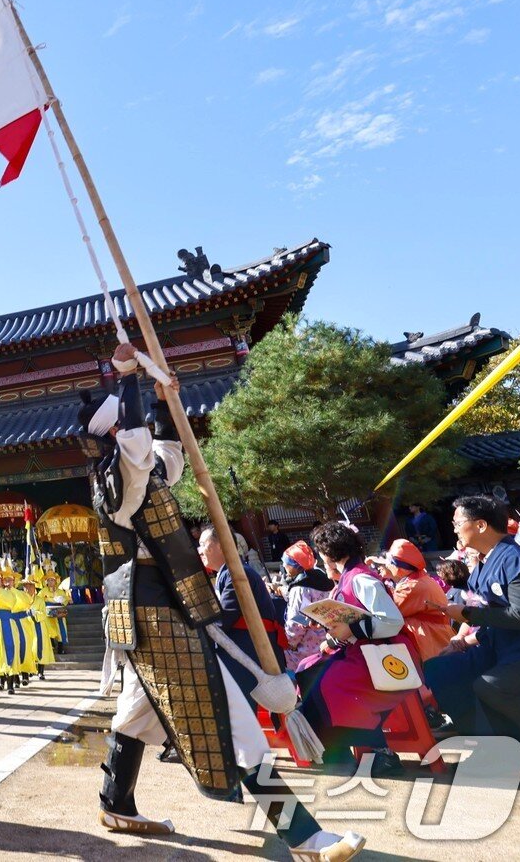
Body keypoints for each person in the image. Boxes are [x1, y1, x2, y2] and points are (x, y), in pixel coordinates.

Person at [82, 343, 361, 860]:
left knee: (136, 713)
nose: (133, 432)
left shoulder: (140, 474)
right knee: (222, 707)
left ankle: (114, 801)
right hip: (151, 611)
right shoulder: (116, 479)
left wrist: (165, 399)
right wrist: (125, 378)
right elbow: (144, 451)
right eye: (126, 426)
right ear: (114, 436)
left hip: (160, 607)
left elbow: (166, 453)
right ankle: (303, 836)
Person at [424, 496, 520, 776]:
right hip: (503, 648)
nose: (454, 529)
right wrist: (463, 640)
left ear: (480, 525)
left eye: (457, 523)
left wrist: (467, 616)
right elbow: (491, 618)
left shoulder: (516, 560)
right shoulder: (483, 564)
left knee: (491, 685)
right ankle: (497, 753)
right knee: (441, 670)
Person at [296, 522, 416, 777]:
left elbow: (392, 621)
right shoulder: (350, 577)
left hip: (381, 655)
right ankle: (332, 748)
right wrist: (332, 639)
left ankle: (380, 753)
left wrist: (348, 632)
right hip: (364, 652)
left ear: (329, 553)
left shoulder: (360, 578)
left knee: (329, 684)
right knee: (306, 670)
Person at [197, 527, 286, 709]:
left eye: (203, 545)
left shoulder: (235, 572)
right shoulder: (229, 572)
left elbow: (223, 620)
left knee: (240, 709)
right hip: (246, 647)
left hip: (250, 650)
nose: (199, 550)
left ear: (222, 545)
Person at [371, 540, 451, 662]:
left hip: (430, 638)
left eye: (389, 563)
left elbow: (389, 611)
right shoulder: (419, 578)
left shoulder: (410, 587)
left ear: (399, 567)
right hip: (436, 633)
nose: (387, 565)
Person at [276, 541, 333, 667]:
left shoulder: (300, 588)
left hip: (306, 646)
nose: (284, 565)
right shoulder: (322, 577)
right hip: (326, 638)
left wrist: (291, 642)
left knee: (304, 676)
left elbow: (296, 619)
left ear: (297, 565)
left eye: (287, 562)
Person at [22, 577, 54, 681]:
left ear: (34, 587)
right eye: (26, 586)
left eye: (30, 586)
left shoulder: (40, 600)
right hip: (26, 626)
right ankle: (30, 670)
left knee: (40, 648)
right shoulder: (21, 599)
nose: (28, 588)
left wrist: (35, 613)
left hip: (38, 625)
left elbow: (44, 614)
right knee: (28, 649)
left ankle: (41, 672)